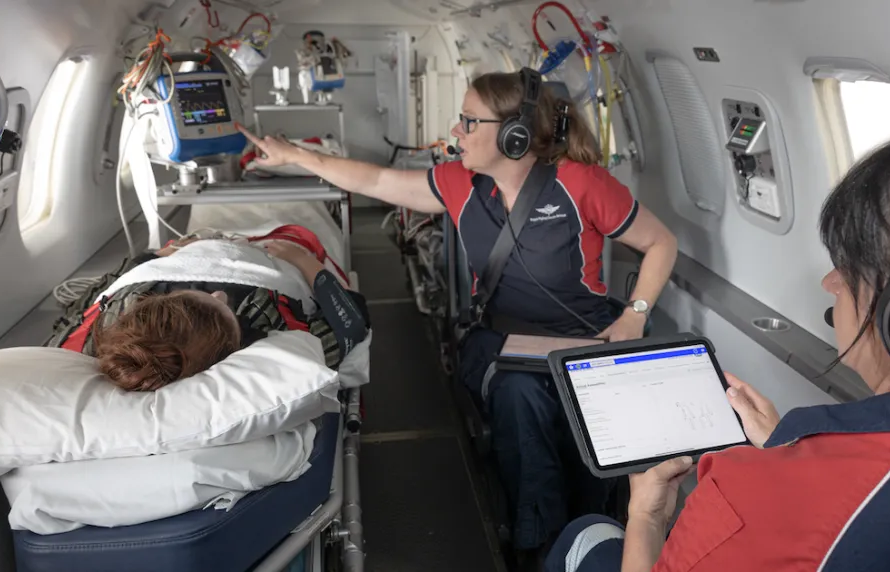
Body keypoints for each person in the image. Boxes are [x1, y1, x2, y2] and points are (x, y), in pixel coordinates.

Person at [238, 68, 678, 565]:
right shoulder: (459, 184)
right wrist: (295, 156)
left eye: (469, 122)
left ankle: (595, 533)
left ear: (514, 133)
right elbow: (378, 180)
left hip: (586, 341)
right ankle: (539, 547)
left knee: (594, 415)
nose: (456, 132)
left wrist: (634, 317)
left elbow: (661, 243)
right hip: (499, 344)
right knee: (522, 398)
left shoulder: (582, 184)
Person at [544, 116, 890, 572]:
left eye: (848, 270)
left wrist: (647, 517)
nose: (831, 283)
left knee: (585, 536)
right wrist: (786, 448)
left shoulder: (754, 494)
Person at [46, 233, 370, 391]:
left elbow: (87, 302)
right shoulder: (268, 319)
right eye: (220, 302)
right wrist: (301, 259)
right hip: (263, 256)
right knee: (297, 233)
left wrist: (162, 253)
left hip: (175, 256)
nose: (216, 292)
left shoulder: (118, 307)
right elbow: (350, 322)